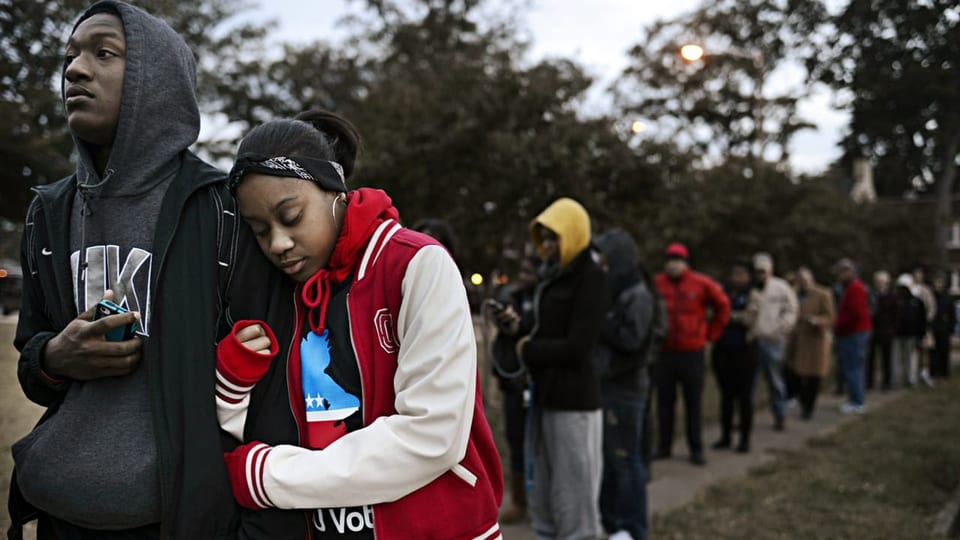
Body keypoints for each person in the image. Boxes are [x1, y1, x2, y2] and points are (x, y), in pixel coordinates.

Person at [8, 2, 280, 537]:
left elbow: (270, 382)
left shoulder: (221, 207)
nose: (75, 70)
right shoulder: (49, 212)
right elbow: (33, 367)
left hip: (184, 519)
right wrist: (54, 357)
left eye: (103, 53)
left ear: (154, 80)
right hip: (63, 516)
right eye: (70, 56)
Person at [216, 110, 503, 539]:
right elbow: (243, 434)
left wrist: (269, 477)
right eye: (260, 230)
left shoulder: (416, 264)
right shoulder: (279, 291)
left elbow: (433, 434)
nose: (278, 243)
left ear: (335, 191)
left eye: (291, 216)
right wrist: (232, 382)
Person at [516, 198, 608, 540]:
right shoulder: (551, 279)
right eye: (545, 238)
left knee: (575, 504)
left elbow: (578, 348)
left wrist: (529, 350)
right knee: (544, 496)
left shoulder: (591, 279)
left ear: (573, 234)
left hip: (575, 405)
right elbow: (543, 328)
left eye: (555, 237)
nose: (549, 246)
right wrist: (517, 328)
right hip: (545, 399)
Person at [594, 229, 654, 540]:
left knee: (626, 461)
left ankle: (633, 527)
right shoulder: (617, 292)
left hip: (626, 392)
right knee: (613, 461)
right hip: (611, 388)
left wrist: (603, 325)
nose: (601, 265)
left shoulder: (638, 296)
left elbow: (632, 342)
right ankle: (615, 523)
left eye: (605, 258)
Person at [653, 243, 730, 466]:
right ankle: (664, 446)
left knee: (693, 403)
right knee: (665, 402)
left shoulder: (701, 283)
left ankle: (696, 448)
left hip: (692, 352)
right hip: (665, 353)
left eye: (677, 261)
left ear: (685, 263)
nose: (673, 265)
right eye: (669, 261)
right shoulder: (657, 284)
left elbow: (722, 306)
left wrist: (711, 334)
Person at [488, 252, 541, 524]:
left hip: (541, 385)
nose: (523, 277)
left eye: (529, 272)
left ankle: (544, 503)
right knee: (516, 444)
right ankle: (520, 501)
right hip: (514, 386)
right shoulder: (512, 297)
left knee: (543, 447)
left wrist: (523, 326)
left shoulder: (546, 300)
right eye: (521, 271)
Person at [746, 252, 798, 431]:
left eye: (763, 271)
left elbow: (792, 309)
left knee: (775, 380)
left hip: (772, 340)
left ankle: (780, 414)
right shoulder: (750, 288)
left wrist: (782, 328)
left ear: (770, 270)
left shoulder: (780, 287)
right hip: (753, 340)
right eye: (757, 271)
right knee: (748, 382)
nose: (760, 275)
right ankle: (747, 417)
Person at [711, 261, 756, 453]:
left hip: (746, 352)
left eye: (741, 274)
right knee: (726, 397)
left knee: (744, 398)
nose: (737, 278)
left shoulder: (754, 294)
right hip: (723, 350)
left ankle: (744, 439)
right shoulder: (723, 293)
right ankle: (726, 436)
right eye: (734, 274)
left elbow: (750, 318)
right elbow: (712, 314)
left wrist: (727, 317)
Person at [785, 268, 835, 420]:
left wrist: (817, 320)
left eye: (806, 280)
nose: (804, 283)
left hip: (815, 340)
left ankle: (809, 408)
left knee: (814, 376)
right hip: (798, 339)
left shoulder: (823, 294)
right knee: (796, 373)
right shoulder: (793, 294)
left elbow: (829, 316)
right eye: (801, 280)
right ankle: (800, 400)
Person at [833, 258, 873, 413]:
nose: (840, 275)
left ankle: (857, 401)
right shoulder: (851, 287)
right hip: (854, 332)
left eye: (842, 271)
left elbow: (855, 313)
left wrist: (838, 324)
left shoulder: (855, 288)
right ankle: (856, 398)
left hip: (853, 333)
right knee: (855, 367)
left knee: (853, 367)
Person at [892, 274, 925, 387]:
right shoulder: (896, 300)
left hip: (911, 334)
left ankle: (910, 379)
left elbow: (921, 319)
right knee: (896, 359)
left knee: (910, 359)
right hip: (897, 334)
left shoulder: (916, 302)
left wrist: (920, 334)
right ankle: (895, 380)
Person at [867, 270, 897, 390]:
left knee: (886, 358)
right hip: (872, 330)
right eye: (878, 282)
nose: (880, 284)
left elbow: (895, 315)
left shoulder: (892, 296)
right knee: (870, 358)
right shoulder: (871, 295)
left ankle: (887, 382)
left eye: (882, 282)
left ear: (887, 283)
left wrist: (892, 329)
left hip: (886, 331)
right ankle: (869, 382)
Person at [912, 266, 937, 386]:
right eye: (916, 274)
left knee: (925, 349)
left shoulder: (926, 290)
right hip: (912, 326)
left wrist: (928, 320)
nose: (918, 276)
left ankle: (925, 373)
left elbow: (932, 306)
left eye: (920, 274)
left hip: (923, 324)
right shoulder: (910, 289)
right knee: (914, 351)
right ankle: (914, 374)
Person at [930, 273, 955, 378]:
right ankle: (934, 372)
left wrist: (951, 328)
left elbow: (952, 315)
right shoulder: (931, 296)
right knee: (934, 352)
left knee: (944, 351)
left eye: (939, 283)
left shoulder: (947, 298)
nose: (938, 285)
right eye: (936, 283)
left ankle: (944, 372)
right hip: (934, 327)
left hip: (944, 328)